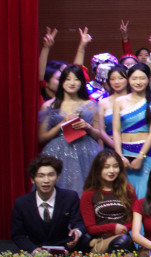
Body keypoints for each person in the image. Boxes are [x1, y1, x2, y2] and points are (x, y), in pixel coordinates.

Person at [39, 64, 109, 193]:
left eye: (76, 79)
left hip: (86, 152)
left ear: (82, 82)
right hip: (57, 153)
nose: (72, 83)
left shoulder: (91, 104)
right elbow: (42, 137)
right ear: (62, 81)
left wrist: (87, 127)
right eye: (68, 79)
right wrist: (61, 124)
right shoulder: (49, 105)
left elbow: (99, 134)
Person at [11, 154, 91, 253]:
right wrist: (34, 250)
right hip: (36, 252)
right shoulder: (22, 203)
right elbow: (18, 235)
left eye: (50, 175)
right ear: (32, 179)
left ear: (57, 177)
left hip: (66, 249)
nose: (46, 180)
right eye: (41, 176)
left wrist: (77, 232)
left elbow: (79, 222)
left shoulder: (70, 197)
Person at [110, 65, 151, 199]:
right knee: (125, 195)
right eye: (134, 78)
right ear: (128, 80)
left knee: (144, 195)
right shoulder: (119, 101)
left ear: (148, 79)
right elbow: (116, 130)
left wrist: (140, 157)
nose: (138, 82)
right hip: (124, 153)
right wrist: (119, 156)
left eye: (142, 78)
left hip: (146, 154)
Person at [80, 149, 137, 253]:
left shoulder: (128, 189)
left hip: (124, 238)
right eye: (106, 167)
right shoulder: (88, 194)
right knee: (121, 241)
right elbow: (91, 228)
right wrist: (113, 228)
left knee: (123, 241)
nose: (112, 171)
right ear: (98, 169)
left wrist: (123, 229)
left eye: (115, 166)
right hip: (100, 241)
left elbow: (134, 219)